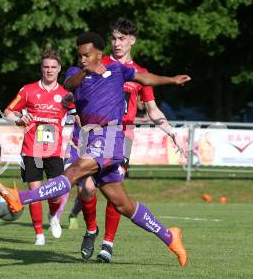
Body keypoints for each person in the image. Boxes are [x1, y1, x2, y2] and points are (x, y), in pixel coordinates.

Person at [0, 32, 190, 266]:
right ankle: (170, 237)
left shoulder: (118, 70)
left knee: (74, 172)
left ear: (99, 53)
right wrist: (86, 71)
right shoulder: (76, 74)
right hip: (88, 138)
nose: (82, 59)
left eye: (87, 55)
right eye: (80, 56)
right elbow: (68, 85)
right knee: (123, 204)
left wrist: (171, 80)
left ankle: (21, 198)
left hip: (111, 137)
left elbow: (145, 78)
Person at [65, 18, 186, 263]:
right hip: (92, 132)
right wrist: (74, 112)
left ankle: (107, 243)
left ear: (132, 41)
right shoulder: (100, 62)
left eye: (122, 39)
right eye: (113, 38)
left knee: (115, 191)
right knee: (87, 188)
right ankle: (91, 230)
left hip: (123, 136)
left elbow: (152, 110)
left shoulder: (139, 73)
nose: (117, 43)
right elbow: (74, 91)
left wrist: (172, 132)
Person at [3, 49, 70, 245]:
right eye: (46, 66)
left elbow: (78, 117)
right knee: (34, 192)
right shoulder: (28, 90)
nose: (49, 70)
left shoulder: (66, 95)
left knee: (55, 193)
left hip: (55, 151)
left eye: (53, 67)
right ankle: (39, 234)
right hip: (31, 149)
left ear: (59, 69)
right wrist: (18, 118)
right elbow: (8, 111)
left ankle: (53, 216)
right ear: (41, 68)